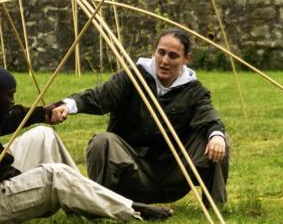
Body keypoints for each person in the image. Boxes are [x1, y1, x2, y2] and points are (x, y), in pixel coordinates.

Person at [0, 65, 172, 224]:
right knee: (56, 174)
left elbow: (7, 118)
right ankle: (130, 209)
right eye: (10, 96)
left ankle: (85, 203)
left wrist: (42, 114)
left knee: (44, 135)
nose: (12, 101)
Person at [48, 30, 230, 205]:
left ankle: (215, 205)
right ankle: (101, 203)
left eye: (173, 56)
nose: (165, 61)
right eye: (161, 53)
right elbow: (99, 97)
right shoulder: (132, 77)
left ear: (186, 59)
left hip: (173, 175)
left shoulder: (194, 90)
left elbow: (208, 116)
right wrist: (67, 106)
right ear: (154, 51)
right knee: (101, 142)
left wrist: (216, 136)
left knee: (217, 139)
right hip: (131, 173)